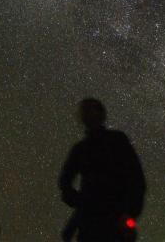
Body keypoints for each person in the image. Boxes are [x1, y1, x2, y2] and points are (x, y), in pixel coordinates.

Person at [58, 98, 146, 242]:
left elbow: (136, 179)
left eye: (90, 109)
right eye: (85, 110)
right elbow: (64, 182)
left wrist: (129, 213)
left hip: (112, 220)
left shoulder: (116, 141)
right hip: (98, 222)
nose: (87, 113)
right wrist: (81, 202)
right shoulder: (81, 149)